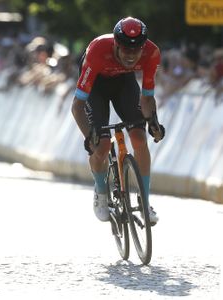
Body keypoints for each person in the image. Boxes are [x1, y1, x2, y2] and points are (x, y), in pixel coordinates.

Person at [71, 17, 165, 224]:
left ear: (143, 47)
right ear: (115, 44)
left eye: (136, 50)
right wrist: (89, 136)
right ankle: (101, 192)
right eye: (126, 50)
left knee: (139, 138)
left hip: (124, 84)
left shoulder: (151, 53)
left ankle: (145, 202)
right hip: (95, 87)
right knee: (102, 146)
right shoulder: (97, 51)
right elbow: (77, 106)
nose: (131, 56)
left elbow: (147, 97)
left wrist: (153, 122)